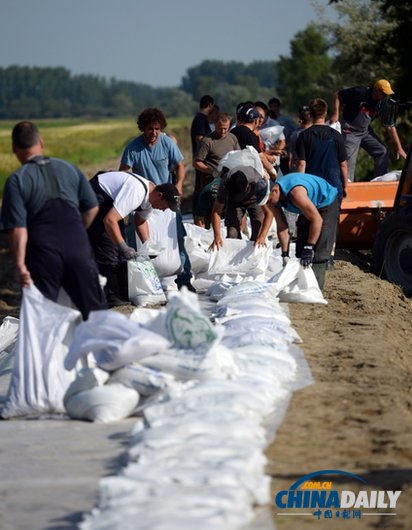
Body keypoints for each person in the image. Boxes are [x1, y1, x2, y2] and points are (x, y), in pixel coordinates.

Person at [1, 121, 107, 319]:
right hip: (78, 246)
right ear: (41, 142)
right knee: (95, 314)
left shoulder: (17, 180)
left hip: (43, 252)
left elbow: (17, 229)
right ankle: (105, 348)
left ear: (14, 148)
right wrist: (76, 233)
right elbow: (92, 207)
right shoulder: (69, 168)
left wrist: (20, 265)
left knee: (42, 318)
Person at [119, 107, 195, 292]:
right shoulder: (133, 148)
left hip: (167, 198)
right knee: (134, 238)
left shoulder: (167, 143)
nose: (153, 133)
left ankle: (184, 279)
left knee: (177, 236)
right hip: (144, 200)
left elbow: (180, 166)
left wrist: (178, 184)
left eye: (157, 129)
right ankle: (137, 280)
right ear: (143, 128)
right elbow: (123, 173)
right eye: (150, 129)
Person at [87, 170, 180, 306]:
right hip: (95, 199)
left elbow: (140, 221)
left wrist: (148, 246)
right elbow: (109, 221)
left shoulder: (151, 198)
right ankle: (109, 297)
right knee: (108, 248)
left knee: (121, 252)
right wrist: (123, 247)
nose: (163, 210)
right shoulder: (137, 192)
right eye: (165, 206)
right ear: (160, 196)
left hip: (109, 205)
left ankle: (122, 294)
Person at [256, 173, 339, 290]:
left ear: (274, 191)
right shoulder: (273, 199)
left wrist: (309, 247)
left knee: (319, 245)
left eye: (269, 201)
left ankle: (316, 288)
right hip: (308, 204)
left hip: (326, 202)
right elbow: (281, 225)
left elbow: (317, 220)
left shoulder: (296, 194)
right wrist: (284, 254)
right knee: (301, 246)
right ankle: (302, 284)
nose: (268, 204)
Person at [330, 79, 407, 181]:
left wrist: (399, 147)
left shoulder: (382, 103)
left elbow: (390, 126)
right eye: (384, 94)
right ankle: (347, 189)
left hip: (365, 131)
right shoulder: (360, 92)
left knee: (382, 151)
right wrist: (335, 114)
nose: (385, 96)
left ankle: (380, 182)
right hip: (350, 131)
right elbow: (337, 95)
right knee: (348, 163)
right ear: (376, 90)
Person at [296, 98, 348, 201]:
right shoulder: (336, 135)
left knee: (312, 216)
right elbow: (343, 164)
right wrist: (345, 186)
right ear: (325, 113)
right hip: (333, 186)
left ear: (310, 114)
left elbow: (301, 164)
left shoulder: (304, 136)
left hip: (312, 186)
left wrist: (299, 186)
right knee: (332, 216)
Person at [209, 166, 270, 249]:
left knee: (258, 230)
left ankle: (253, 256)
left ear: (247, 186)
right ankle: (235, 258)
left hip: (254, 197)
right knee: (232, 233)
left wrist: (262, 236)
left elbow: (269, 213)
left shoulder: (257, 182)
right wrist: (217, 236)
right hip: (233, 202)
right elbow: (216, 211)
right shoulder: (225, 183)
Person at [193, 111, 240, 198]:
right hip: (212, 181)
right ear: (215, 125)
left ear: (229, 126)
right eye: (220, 128)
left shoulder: (232, 138)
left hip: (230, 179)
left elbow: (238, 156)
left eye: (225, 129)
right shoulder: (207, 141)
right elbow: (196, 163)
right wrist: (212, 171)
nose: (222, 131)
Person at [190, 95, 215, 214]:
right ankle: (198, 213)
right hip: (202, 159)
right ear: (210, 105)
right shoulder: (201, 119)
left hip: (203, 159)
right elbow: (199, 138)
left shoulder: (200, 119)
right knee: (201, 187)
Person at [289, 106, 312, 171]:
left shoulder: (295, 135)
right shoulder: (317, 132)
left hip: (299, 167)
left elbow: (292, 154)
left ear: (300, 120)